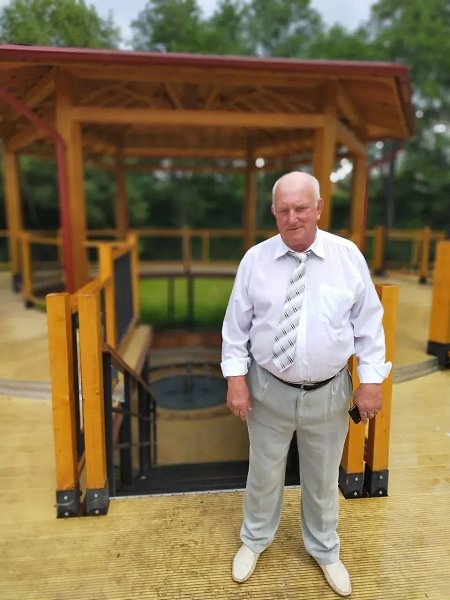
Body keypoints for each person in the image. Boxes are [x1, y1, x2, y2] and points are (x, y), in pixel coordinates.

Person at [221, 171, 391, 597]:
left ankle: (325, 549)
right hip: (267, 388)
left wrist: (370, 382)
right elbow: (236, 328)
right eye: (283, 210)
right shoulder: (255, 260)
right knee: (263, 472)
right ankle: (254, 540)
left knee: (322, 476)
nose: (292, 217)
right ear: (273, 212)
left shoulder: (347, 257)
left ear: (318, 208)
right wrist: (236, 380)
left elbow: (369, 325)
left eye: (301, 208)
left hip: (329, 391)